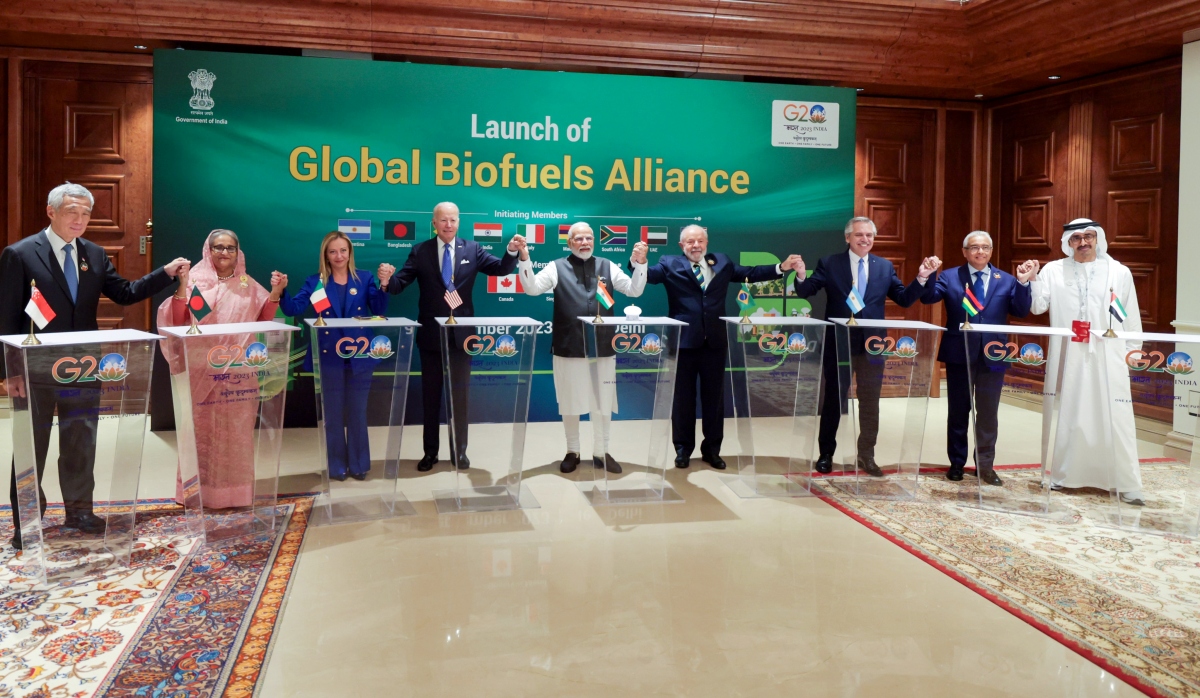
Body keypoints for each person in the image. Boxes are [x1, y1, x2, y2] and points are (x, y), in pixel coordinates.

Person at [0, 182, 189, 550]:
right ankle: (27, 521)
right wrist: (8, 373)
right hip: (33, 367)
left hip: (84, 365)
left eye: (86, 213)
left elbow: (125, 294)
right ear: (51, 211)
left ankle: (79, 512)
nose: (79, 219)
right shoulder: (20, 254)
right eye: (72, 211)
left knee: (81, 442)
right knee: (30, 447)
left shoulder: (95, 255)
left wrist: (165, 273)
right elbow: (5, 316)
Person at [378, 202, 523, 471]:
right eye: (443, 220)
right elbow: (400, 284)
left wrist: (512, 251)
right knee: (431, 398)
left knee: (459, 398)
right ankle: (430, 453)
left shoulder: (473, 249)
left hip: (462, 337)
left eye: (453, 220)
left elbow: (501, 269)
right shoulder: (420, 251)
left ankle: (460, 452)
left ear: (458, 222)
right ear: (434, 223)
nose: (448, 225)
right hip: (431, 336)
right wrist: (387, 280)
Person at [645, 224, 803, 470]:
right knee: (683, 400)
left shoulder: (721, 262)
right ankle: (683, 450)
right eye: (690, 242)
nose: (695, 245)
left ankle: (712, 450)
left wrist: (780, 268)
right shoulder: (669, 263)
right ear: (681, 245)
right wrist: (639, 262)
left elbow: (749, 273)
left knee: (714, 400)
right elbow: (650, 275)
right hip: (683, 343)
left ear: (706, 243)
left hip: (715, 343)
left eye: (700, 241)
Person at [793, 216, 940, 476]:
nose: (865, 239)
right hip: (839, 342)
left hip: (873, 345)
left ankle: (867, 455)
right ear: (847, 237)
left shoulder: (884, 266)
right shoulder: (830, 263)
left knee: (870, 401)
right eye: (859, 235)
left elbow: (904, 299)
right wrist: (802, 275)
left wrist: (922, 277)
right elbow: (806, 291)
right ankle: (826, 454)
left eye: (869, 235)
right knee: (833, 400)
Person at [158, 229, 285, 508]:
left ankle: (234, 492)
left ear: (238, 252)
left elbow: (263, 318)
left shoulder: (247, 284)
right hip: (203, 367)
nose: (224, 252)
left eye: (230, 248)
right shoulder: (195, 280)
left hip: (239, 369)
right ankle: (196, 491)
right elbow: (178, 320)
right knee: (200, 430)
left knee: (237, 432)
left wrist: (275, 293)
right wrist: (182, 286)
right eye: (218, 247)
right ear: (209, 250)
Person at [1025, 218, 1144, 504]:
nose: (1083, 242)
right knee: (1071, 411)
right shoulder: (1054, 270)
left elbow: (1129, 312)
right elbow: (1038, 306)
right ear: (1068, 242)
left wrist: (1134, 349)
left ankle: (1125, 482)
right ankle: (1065, 475)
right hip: (1070, 353)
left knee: (1116, 415)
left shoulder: (1118, 271)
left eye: (1089, 236)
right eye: (1076, 238)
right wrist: (1032, 280)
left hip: (1109, 353)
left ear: (1097, 238)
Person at [518, 222, 648, 474]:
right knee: (570, 400)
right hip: (570, 345)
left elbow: (634, 290)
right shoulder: (556, 267)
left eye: (589, 238)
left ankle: (601, 451)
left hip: (603, 345)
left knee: (603, 400)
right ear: (569, 243)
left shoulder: (607, 266)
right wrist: (524, 258)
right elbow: (532, 289)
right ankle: (572, 450)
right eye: (578, 238)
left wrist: (641, 264)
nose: (585, 242)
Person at [921, 231, 1035, 485]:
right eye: (974, 247)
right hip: (959, 353)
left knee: (988, 413)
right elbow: (929, 298)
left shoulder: (1007, 279)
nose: (980, 252)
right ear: (965, 252)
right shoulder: (949, 276)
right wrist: (927, 276)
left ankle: (985, 466)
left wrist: (1024, 283)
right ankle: (956, 464)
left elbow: (1020, 310)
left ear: (991, 252)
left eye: (985, 247)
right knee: (958, 411)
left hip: (993, 355)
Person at [277, 231, 389, 481]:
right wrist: (282, 291)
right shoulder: (315, 282)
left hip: (360, 355)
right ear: (325, 255)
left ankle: (359, 465)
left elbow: (379, 309)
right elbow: (294, 308)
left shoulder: (364, 278)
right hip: (328, 357)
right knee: (333, 414)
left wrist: (384, 285)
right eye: (333, 251)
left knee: (358, 412)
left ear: (350, 253)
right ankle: (337, 465)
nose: (339, 256)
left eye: (343, 251)